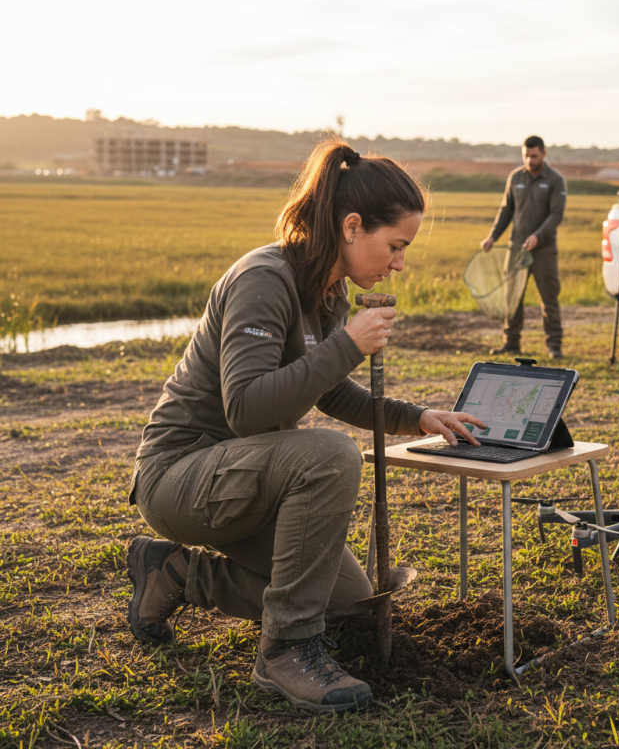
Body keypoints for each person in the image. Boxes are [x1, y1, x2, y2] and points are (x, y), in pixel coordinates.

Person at [125, 140, 486, 714]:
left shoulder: (327, 289)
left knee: (346, 599)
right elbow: (245, 408)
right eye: (395, 246)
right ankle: (286, 651)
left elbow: (323, 387)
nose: (399, 263)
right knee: (330, 454)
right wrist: (347, 344)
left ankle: (176, 574)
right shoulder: (264, 279)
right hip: (180, 476)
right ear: (351, 226)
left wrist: (413, 416)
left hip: (243, 480)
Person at [480, 135, 566, 359]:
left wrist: (538, 236)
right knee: (512, 297)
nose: (530, 160)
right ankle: (511, 342)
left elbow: (556, 214)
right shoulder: (515, 177)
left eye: (534, 156)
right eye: (526, 156)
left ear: (544, 154)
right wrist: (493, 237)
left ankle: (554, 345)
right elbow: (506, 210)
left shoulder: (555, 180)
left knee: (549, 297)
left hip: (544, 249)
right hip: (516, 247)